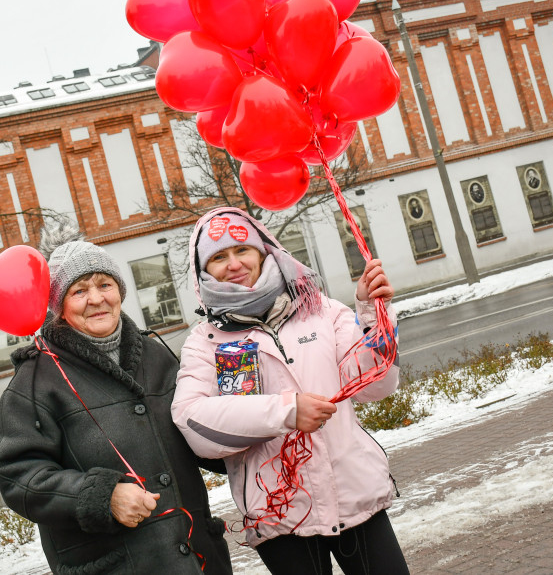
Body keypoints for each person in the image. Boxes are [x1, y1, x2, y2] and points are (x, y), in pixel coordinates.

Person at [172, 207, 409, 575]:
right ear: (203, 271)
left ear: (263, 252)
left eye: (242, 250)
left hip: (354, 495)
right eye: (218, 257)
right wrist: (286, 412)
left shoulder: (322, 311)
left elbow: (378, 384)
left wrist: (372, 314)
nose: (233, 264)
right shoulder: (205, 343)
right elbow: (193, 423)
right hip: (281, 517)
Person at [0, 231, 233, 575]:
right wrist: (100, 496)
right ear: (59, 306)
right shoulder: (34, 381)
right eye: (79, 291)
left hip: (198, 559)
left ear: (119, 291)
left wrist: (240, 423)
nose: (96, 299)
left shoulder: (157, 356)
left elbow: (197, 434)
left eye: (105, 285)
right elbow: (18, 476)